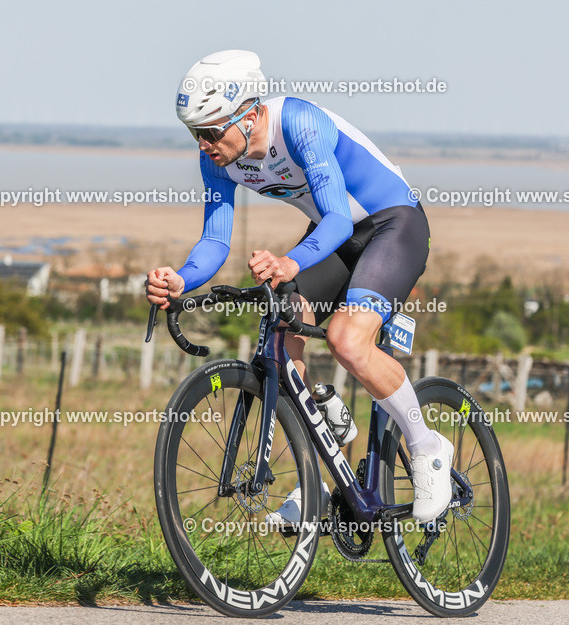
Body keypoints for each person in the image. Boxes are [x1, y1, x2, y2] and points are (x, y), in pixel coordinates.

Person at [146, 50, 452, 525]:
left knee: (348, 340)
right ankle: (321, 471)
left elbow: (333, 218)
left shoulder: (300, 125)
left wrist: (290, 261)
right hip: (336, 239)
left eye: (210, 131)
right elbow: (214, 240)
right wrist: (181, 279)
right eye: (194, 133)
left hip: (393, 226)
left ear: (248, 115)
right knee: (281, 339)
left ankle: (428, 448)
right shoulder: (219, 160)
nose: (204, 144)